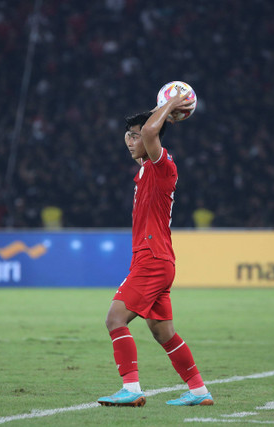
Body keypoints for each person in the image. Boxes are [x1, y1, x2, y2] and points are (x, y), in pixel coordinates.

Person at [97, 89, 213, 407]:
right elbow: (147, 129)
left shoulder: (162, 165)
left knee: (114, 319)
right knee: (163, 333)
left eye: (134, 136)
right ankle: (200, 391)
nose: (129, 141)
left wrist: (171, 104)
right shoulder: (146, 170)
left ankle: (131, 389)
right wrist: (156, 111)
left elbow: (150, 131)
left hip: (152, 258)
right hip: (156, 259)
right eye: (128, 136)